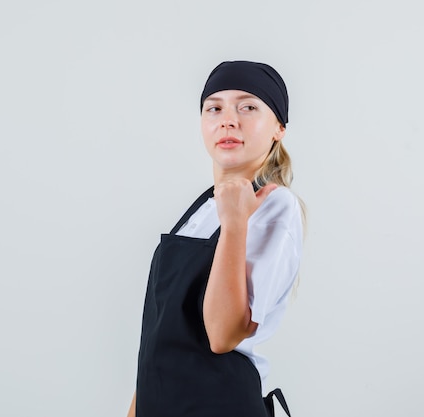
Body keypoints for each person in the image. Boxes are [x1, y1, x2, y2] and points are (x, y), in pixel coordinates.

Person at [126, 60, 304, 417]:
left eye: (248, 107)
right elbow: (156, 341)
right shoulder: (203, 208)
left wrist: (235, 224)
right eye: (215, 108)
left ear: (279, 128)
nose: (228, 120)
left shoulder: (275, 206)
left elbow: (222, 336)